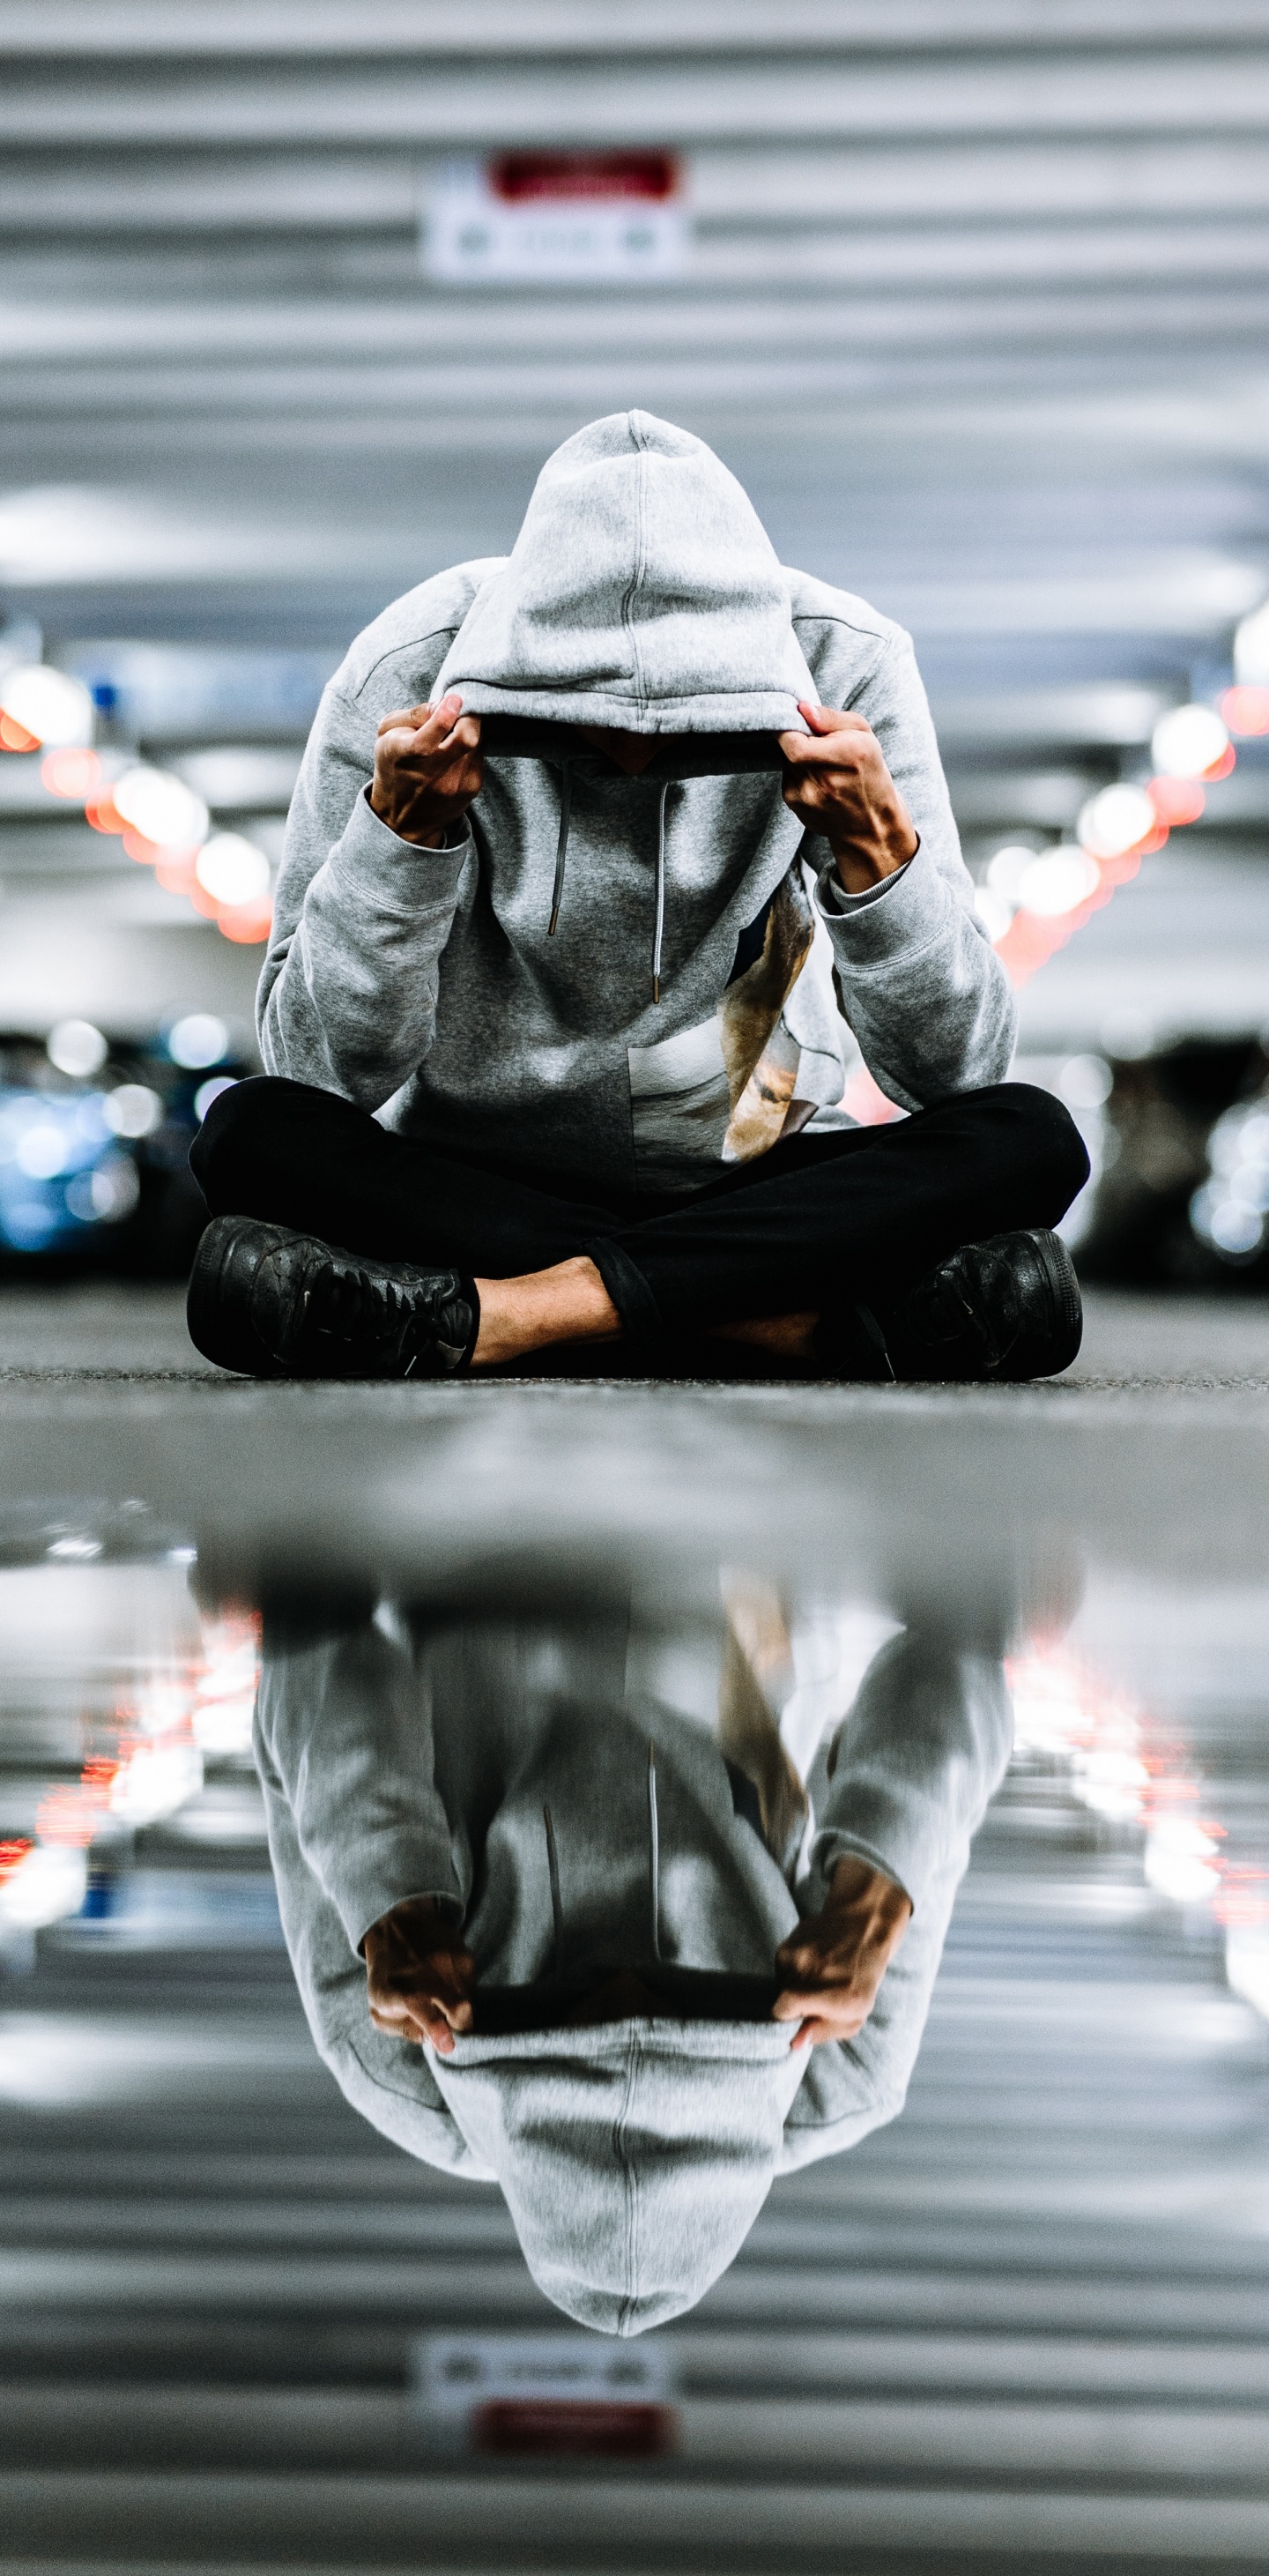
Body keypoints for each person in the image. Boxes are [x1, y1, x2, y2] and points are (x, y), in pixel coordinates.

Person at [186, 409, 1088, 1383]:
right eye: (581, 717)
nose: (636, 747)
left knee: (1029, 1138)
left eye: (692, 719)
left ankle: (516, 1314)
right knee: (251, 1131)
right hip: (494, 1178)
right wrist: (398, 840)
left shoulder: (848, 669)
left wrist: (878, 854)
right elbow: (316, 1072)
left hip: (746, 1178)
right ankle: (791, 1325)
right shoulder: (411, 671)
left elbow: (959, 1073)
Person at [255, 1580, 1014, 2334]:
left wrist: (385, 1887)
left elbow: (309, 1646)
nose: (623, 1964)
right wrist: (879, 1884)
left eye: (565, 1988)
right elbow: (959, 1657)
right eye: (687, 1994)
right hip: (735, 1571)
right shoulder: (849, 2069)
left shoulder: (398, 2068)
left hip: (480, 1572)